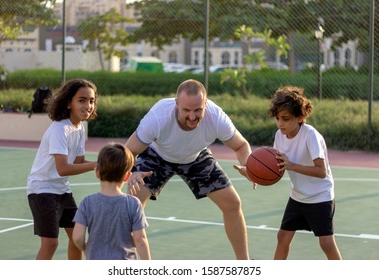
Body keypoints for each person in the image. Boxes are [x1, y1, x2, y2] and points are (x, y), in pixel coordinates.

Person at [125, 79, 255, 260]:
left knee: (233, 203)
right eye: (186, 110)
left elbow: (241, 145)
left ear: (205, 104)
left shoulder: (216, 117)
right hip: (157, 155)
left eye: (198, 110)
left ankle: (244, 263)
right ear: (176, 104)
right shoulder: (158, 118)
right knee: (131, 204)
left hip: (195, 156)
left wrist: (249, 166)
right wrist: (133, 171)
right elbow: (128, 151)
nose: (192, 116)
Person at [268, 85, 342, 260]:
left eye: (286, 119)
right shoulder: (279, 135)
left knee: (326, 242)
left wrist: (291, 165)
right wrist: (252, 173)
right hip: (298, 196)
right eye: (278, 118)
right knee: (283, 236)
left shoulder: (310, 136)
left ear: (300, 117)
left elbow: (321, 171)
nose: (280, 123)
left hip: (320, 196)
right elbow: (273, 166)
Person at [27, 79, 98, 260]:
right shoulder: (60, 128)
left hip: (61, 190)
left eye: (91, 100)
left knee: (78, 237)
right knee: (50, 243)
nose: (88, 105)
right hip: (42, 190)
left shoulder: (80, 127)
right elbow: (63, 169)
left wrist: (102, 163)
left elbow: (80, 160)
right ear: (69, 103)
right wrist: (95, 165)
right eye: (81, 100)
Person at [72, 142, 151, 260]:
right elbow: (140, 239)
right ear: (127, 176)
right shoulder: (133, 204)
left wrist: (85, 249)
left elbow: (78, 237)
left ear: (97, 172)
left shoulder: (87, 202)